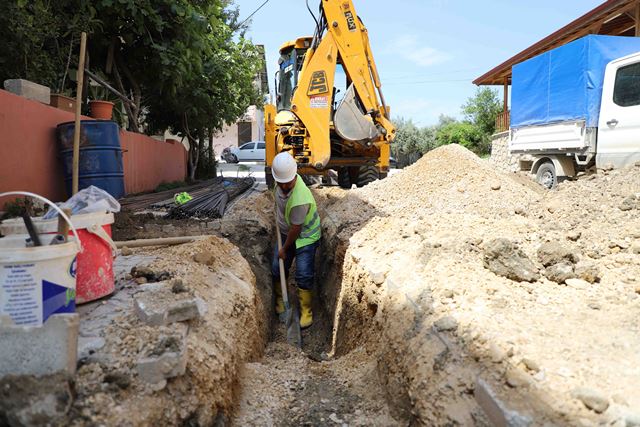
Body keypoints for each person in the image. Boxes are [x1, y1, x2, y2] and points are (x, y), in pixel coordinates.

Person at [271, 152, 321, 329]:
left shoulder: (300, 198)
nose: (284, 186)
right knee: (277, 268)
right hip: (287, 231)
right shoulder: (280, 184)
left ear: (294, 175)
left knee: (303, 274)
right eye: (280, 182)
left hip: (306, 236)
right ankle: (280, 299)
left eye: (287, 182)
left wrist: (284, 249)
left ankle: (306, 310)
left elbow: (296, 229)